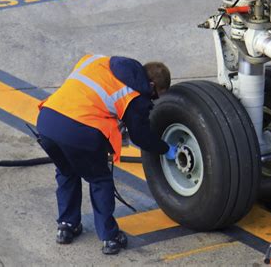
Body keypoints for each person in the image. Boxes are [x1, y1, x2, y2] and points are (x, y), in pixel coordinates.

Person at [36, 54, 177, 255]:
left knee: (67, 172)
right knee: (100, 179)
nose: (152, 99)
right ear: (151, 84)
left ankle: (66, 227)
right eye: (155, 95)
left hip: (47, 122)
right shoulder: (133, 96)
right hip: (80, 131)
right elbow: (141, 137)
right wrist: (166, 149)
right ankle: (110, 238)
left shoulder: (97, 61)